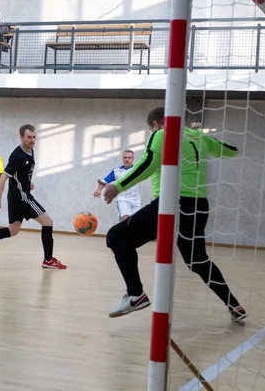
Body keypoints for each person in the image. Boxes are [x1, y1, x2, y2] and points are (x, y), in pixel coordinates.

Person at [102, 107, 246, 321]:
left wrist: (118, 186)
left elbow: (148, 164)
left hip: (171, 204)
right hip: (198, 206)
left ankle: (135, 295)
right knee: (197, 260)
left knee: (116, 236)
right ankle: (234, 306)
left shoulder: (161, 134)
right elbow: (231, 150)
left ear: (155, 125)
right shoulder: (199, 137)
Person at [0, 124, 66, 269]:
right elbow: (3, 178)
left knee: (13, 230)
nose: (32, 140)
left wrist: (28, 182)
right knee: (48, 222)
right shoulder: (17, 156)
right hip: (21, 197)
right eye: (29, 137)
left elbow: (21, 174)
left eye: (34, 137)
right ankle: (48, 260)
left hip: (17, 195)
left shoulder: (30, 151)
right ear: (21, 137)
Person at [94, 150, 141, 222]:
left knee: (135, 223)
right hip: (123, 200)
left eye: (129, 158)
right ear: (122, 159)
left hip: (136, 201)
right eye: (125, 157)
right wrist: (98, 190)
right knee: (126, 221)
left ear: (132, 159)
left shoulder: (137, 169)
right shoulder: (116, 171)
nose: (127, 159)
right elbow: (104, 181)